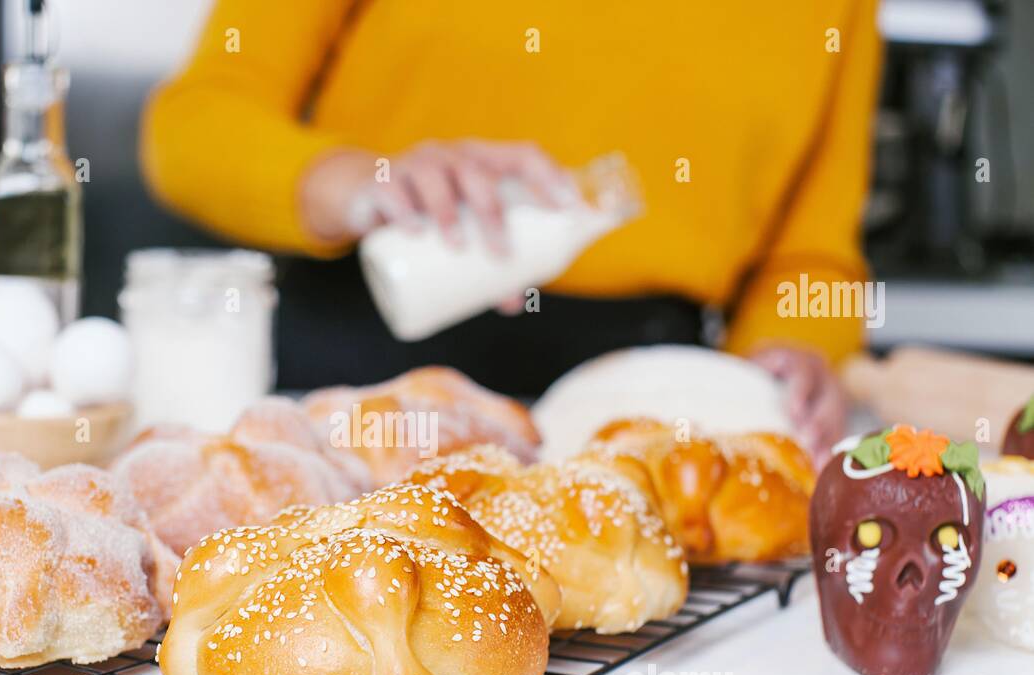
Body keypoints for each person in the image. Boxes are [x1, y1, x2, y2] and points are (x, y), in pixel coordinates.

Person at [140, 0, 882, 457]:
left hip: (640, 413)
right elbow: (190, 126)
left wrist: (795, 349)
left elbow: (814, 258)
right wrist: (353, 181)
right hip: (354, 371)